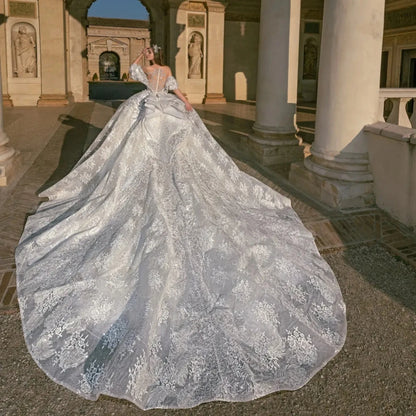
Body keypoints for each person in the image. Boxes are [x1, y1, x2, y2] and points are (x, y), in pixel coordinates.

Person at [16, 46, 346, 410]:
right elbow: (175, 90)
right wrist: (185, 105)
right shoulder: (165, 70)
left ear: (150, 55)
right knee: (166, 157)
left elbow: (134, 74)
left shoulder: (146, 72)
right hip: (164, 116)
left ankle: (159, 180)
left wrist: (146, 64)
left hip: (149, 115)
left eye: (150, 55)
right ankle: (163, 178)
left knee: (147, 155)